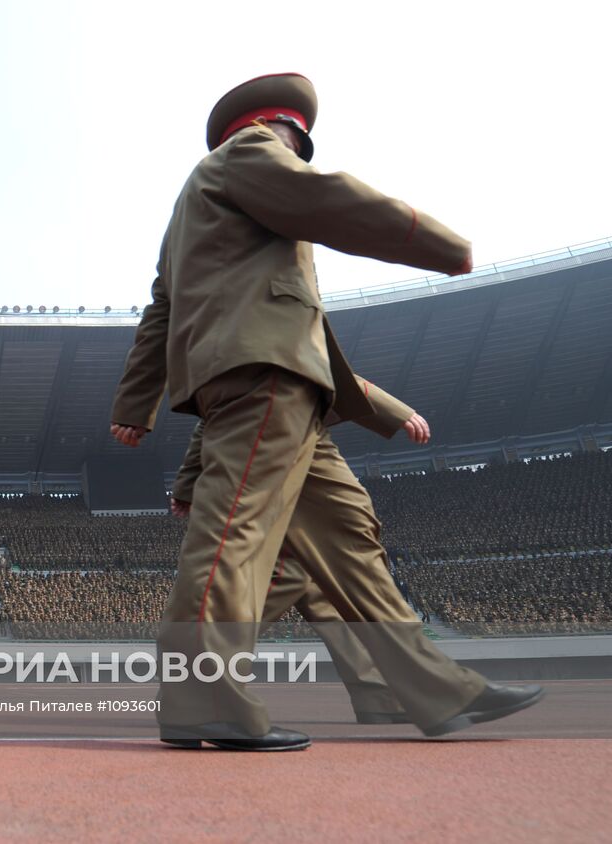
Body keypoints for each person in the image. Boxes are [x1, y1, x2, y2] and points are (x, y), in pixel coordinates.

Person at [109, 73, 543, 751]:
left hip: (291, 391)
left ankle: (432, 688)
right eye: (295, 142)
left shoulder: (193, 214)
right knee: (237, 534)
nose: (294, 153)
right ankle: (201, 698)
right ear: (276, 130)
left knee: (351, 547)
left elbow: (176, 312)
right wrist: (437, 246)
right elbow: (325, 200)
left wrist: (137, 403)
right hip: (265, 382)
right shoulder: (246, 154)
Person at [171, 373, 426, 725]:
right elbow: (322, 366)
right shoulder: (258, 346)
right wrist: (395, 411)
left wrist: (186, 486)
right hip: (279, 480)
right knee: (289, 581)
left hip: (278, 478)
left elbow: (208, 425)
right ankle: (198, 679)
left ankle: (378, 695)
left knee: (314, 589)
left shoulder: (228, 363)